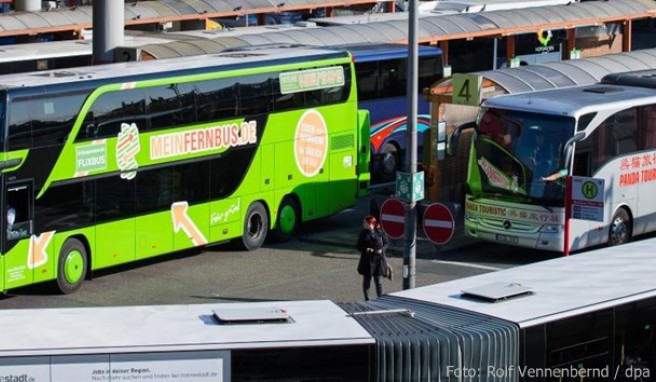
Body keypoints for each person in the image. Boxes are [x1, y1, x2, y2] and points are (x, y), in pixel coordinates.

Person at [356, 215, 389, 301]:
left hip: (378, 260)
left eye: (365, 223)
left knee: (378, 282)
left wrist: (381, 250)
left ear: (371, 224)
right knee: (367, 281)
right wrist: (365, 249)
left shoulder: (379, 232)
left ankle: (381, 298)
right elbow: (358, 246)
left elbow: (386, 243)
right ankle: (367, 299)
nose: (363, 224)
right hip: (368, 261)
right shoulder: (364, 233)